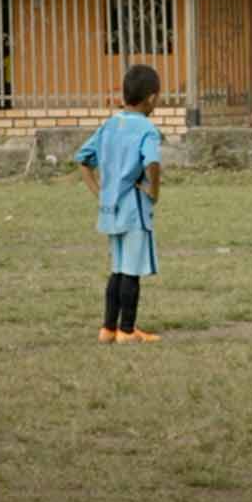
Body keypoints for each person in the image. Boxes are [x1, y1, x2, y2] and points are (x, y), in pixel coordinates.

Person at [75, 65, 166, 344]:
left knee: (117, 269)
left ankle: (107, 329)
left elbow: (82, 159)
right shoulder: (147, 129)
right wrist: (154, 191)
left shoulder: (109, 125)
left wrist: (99, 193)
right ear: (151, 98)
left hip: (110, 210)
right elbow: (152, 162)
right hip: (134, 210)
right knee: (131, 270)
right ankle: (127, 330)